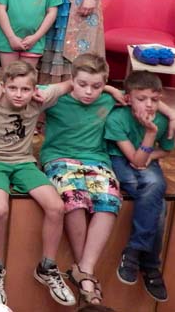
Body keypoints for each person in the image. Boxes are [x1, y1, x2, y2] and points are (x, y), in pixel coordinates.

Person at [0, 61, 75, 307]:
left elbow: (70, 84)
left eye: (25, 89)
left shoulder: (39, 99)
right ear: (4, 86)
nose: (18, 94)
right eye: (13, 88)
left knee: (57, 207)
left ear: (34, 90)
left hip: (23, 162)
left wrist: (110, 88)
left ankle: (47, 266)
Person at [39, 54, 120, 306]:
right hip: (59, 159)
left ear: (104, 83)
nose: (88, 92)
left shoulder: (108, 99)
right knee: (74, 199)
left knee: (110, 199)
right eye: (82, 84)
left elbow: (146, 96)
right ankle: (86, 278)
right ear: (72, 79)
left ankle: (84, 269)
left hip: (96, 161)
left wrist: (110, 90)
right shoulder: (57, 98)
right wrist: (65, 85)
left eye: (96, 86)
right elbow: (26, 87)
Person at [105, 70, 174, 303]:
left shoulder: (162, 120)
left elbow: (166, 149)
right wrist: (150, 133)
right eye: (142, 99)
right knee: (157, 202)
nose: (149, 105)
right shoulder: (117, 118)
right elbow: (135, 160)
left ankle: (134, 251)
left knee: (154, 186)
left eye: (154, 99)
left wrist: (152, 155)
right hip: (121, 158)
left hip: (145, 157)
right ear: (128, 99)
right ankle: (151, 264)